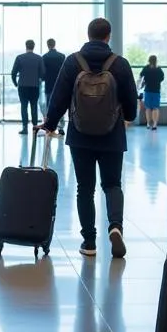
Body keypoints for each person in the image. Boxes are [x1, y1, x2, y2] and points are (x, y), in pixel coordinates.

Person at [41, 17, 138, 259]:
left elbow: (59, 97)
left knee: (85, 188)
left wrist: (50, 124)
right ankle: (115, 226)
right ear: (109, 36)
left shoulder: (73, 62)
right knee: (112, 184)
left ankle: (89, 242)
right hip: (112, 135)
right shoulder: (120, 64)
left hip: (80, 135)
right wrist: (125, 116)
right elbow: (131, 104)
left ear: (88, 35)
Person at [11, 39, 45, 135]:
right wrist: (39, 79)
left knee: (24, 106)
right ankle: (35, 128)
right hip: (34, 86)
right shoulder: (39, 58)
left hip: (23, 86)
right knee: (34, 106)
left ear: (26, 46)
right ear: (33, 46)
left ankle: (25, 128)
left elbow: (13, 72)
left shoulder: (19, 58)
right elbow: (43, 73)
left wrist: (15, 83)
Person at [138, 55, 166, 130]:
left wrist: (141, 85)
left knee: (148, 108)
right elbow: (162, 78)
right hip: (156, 90)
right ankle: (155, 124)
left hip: (148, 90)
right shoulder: (159, 69)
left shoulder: (146, 68)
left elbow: (140, 76)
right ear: (156, 60)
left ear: (149, 60)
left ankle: (148, 123)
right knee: (155, 108)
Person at [42, 38, 66, 115]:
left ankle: (49, 121)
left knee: (49, 104)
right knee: (59, 103)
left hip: (48, 84)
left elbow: (43, 72)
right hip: (59, 83)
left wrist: (43, 78)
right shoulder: (62, 56)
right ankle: (61, 122)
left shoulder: (45, 57)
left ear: (47, 45)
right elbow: (64, 70)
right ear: (54, 44)